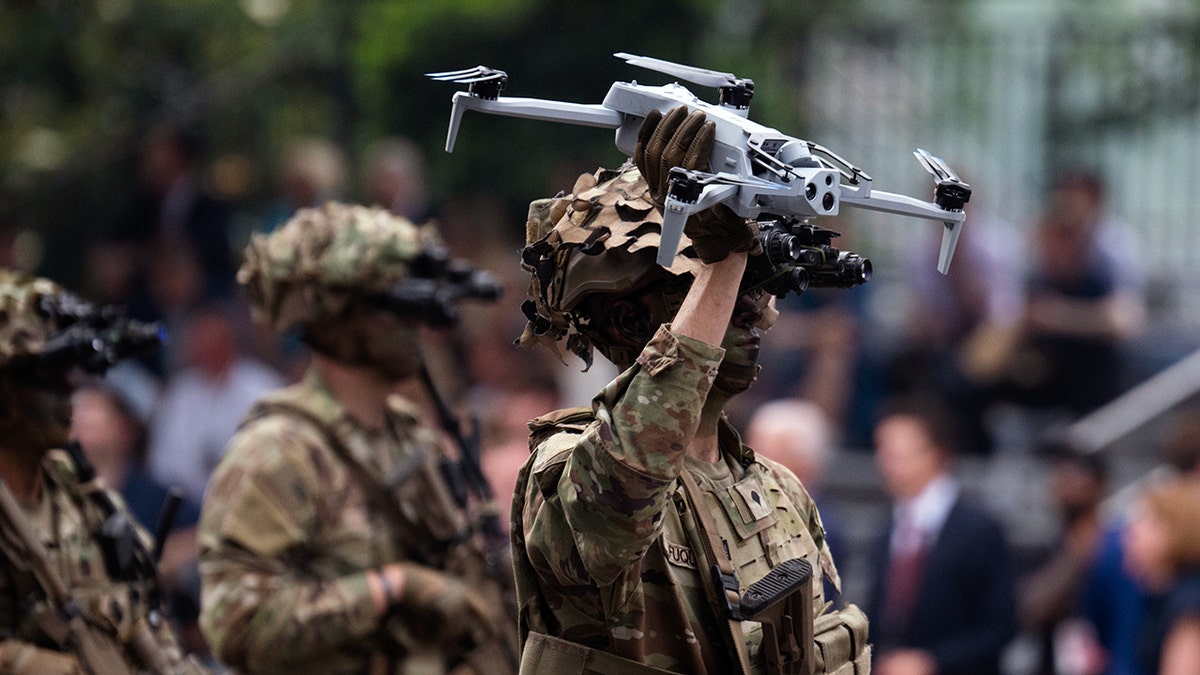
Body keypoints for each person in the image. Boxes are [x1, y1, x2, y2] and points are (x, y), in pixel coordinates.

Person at [511, 107, 870, 674]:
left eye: (751, 283)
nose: (753, 309)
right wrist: (722, 258)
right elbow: (623, 490)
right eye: (713, 285)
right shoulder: (564, 468)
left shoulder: (779, 490)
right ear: (631, 323)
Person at [197, 202, 517, 674]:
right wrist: (395, 587)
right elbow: (235, 625)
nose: (417, 327)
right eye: (396, 310)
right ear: (338, 319)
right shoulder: (278, 454)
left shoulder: (409, 438)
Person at [0, 269, 207, 674]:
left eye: (68, 375)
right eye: (46, 379)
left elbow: (148, 622)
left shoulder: (86, 498)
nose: (70, 391)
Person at [865, 395, 1017, 675]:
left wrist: (932, 661)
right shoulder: (888, 529)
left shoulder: (979, 530)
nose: (884, 464)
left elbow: (1000, 625)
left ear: (936, 454)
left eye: (897, 454)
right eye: (882, 452)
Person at [1122, 478, 1200, 675]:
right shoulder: (1160, 595)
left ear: (1175, 530)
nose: (1130, 534)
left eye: (1144, 521)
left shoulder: (1189, 605)